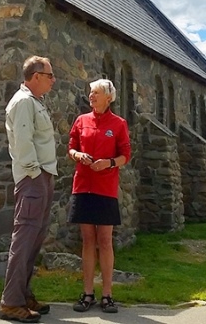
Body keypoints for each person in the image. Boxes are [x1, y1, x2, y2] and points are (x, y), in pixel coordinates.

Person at [0, 56, 58, 323]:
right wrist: (36, 173)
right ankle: (11, 303)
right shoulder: (23, 102)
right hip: (33, 179)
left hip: (41, 178)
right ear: (35, 76)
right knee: (24, 241)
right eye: (49, 75)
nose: (53, 80)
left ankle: (22, 296)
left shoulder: (34, 102)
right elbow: (23, 144)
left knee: (33, 241)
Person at [67, 79, 131, 314]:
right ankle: (87, 293)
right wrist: (78, 155)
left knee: (104, 240)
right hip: (83, 186)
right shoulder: (81, 120)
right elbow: (71, 146)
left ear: (108, 97)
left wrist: (109, 163)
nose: (91, 96)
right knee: (87, 240)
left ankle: (107, 294)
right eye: (90, 93)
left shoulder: (119, 123)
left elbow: (126, 154)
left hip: (106, 189)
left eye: (96, 93)